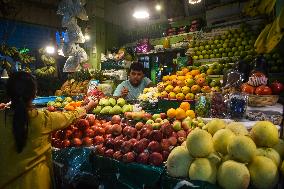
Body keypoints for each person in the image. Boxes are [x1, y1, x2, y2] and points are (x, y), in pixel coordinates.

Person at [0, 72, 97, 189]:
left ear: (8, 93)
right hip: (37, 183)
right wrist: (87, 107)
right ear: (34, 94)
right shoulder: (42, 119)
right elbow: (69, 117)